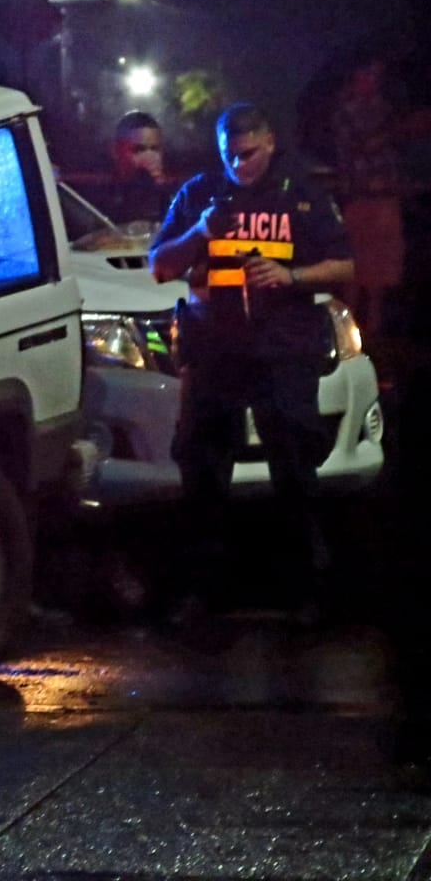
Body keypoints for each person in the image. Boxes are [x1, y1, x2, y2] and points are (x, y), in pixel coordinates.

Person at [148, 102, 354, 625]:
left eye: (249, 154)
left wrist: (290, 277)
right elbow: (160, 267)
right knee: (203, 471)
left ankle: (308, 591)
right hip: (215, 349)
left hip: (282, 347)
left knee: (293, 468)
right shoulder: (200, 192)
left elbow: (345, 264)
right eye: (230, 156)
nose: (239, 165)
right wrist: (199, 231)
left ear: (270, 142)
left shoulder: (300, 193)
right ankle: (202, 593)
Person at [331, 57, 405, 338]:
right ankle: (349, 325)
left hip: (385, 196)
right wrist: (395, 131)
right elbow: (360, 146)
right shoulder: (346, 111)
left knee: (381, 268)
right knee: (355, 263)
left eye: (377, 76)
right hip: (360, 196)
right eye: (368, 75)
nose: (373, 81)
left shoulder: (383, 108)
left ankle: (374, 329)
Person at [96, 111, 172, 226]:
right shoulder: (101, 196)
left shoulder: (177, 198)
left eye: (155, 149)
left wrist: (161, 192)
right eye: (139, 150)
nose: (150, 157)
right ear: (116, 152)